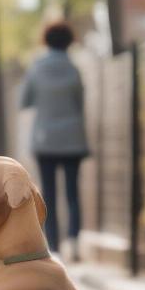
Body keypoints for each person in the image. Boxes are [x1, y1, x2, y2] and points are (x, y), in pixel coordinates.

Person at [19, 22, 89, 260]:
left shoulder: (36, 68)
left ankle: (54, 247)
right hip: (73, 138)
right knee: (73, 192)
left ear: (45, 41)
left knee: (47, 194)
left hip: (45, 139)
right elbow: (80, 103)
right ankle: (75, 241)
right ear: (69, 42)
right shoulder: (74, 69)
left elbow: (24, 101)